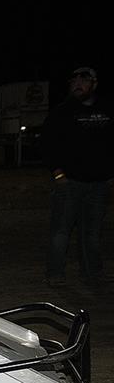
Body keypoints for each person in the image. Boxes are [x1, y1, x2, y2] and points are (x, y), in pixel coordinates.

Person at [43, 66, 113, 287]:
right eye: (74, 81)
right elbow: (48, 145)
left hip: (99, 183)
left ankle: (93, 272)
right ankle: (55, 274)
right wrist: (58, 174)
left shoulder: (107, 109)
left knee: (92, 232)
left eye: (84, 80)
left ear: (94, 84)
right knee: (61, 232)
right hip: (69, 183)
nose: (78, 84)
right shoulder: (61, 112)